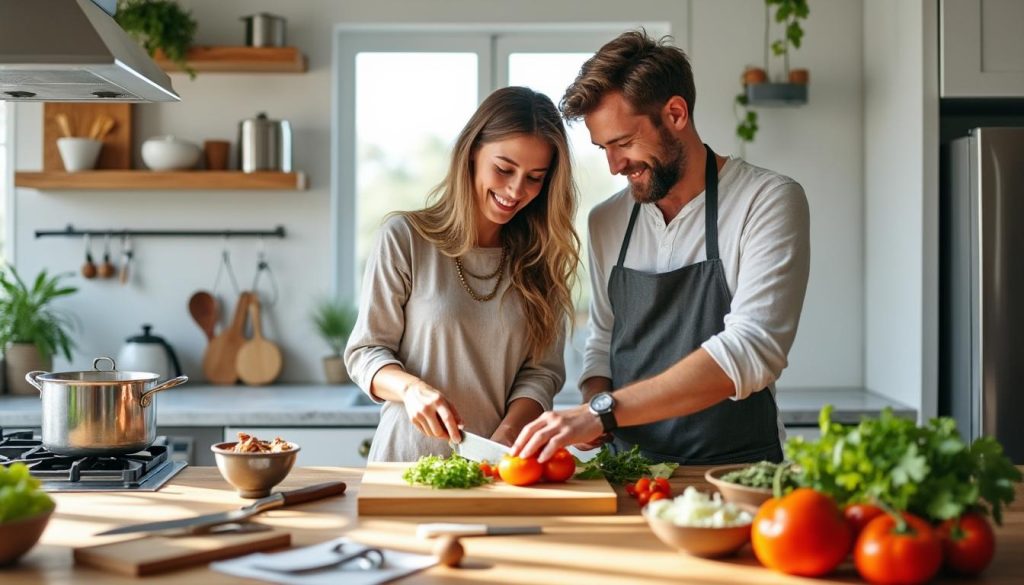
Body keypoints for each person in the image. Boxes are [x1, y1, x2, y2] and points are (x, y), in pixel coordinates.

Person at [512, 30, 810, 465]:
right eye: (603, 149)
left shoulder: (766, 200)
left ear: (675, 114)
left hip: (736, 471)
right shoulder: (607, 221)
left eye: (624, 143)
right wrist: (596, 402)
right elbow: (603, 342)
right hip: (629, 468)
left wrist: (602, 413)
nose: (615, 166)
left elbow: (752, 349)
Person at [345, 86, 580, 462]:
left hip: (497, 467)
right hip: (406, 463)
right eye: (504, 169)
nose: (516, 190)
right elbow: (365, 352)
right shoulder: (405, 238)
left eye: (535, 177)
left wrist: (506, 435)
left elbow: (542, 373)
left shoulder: (541, 259)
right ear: (471, 153)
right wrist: (410, 390)